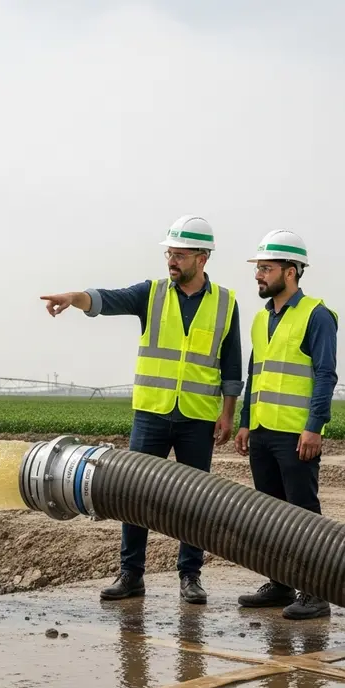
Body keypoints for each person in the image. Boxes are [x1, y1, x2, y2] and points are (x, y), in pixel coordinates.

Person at [41, 215, 243, 604]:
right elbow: (106, 299)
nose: (172, 260)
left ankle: (190, 576)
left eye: (180, 255)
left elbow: (231, 365)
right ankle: (131, 574)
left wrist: (228, 413)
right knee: (135, 497)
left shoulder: (226, 303)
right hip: (151, 414)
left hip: (198, 418)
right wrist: (73, 297)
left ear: (202, 259)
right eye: (170, 252)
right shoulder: (151, 294)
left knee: (194, 501)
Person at [235, 229, 338, 620]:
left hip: (297, 435)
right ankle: (280, 584)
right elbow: (255, 372)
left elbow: (325, 374)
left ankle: (315, 592)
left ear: (291, 271)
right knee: (271, 513)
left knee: (303, 513)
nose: (258, 275)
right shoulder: (263, 319)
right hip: (262, 431)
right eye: (258, 268)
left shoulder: (317, 315)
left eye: (266, 268)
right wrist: (246, 423)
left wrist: (315, 426)